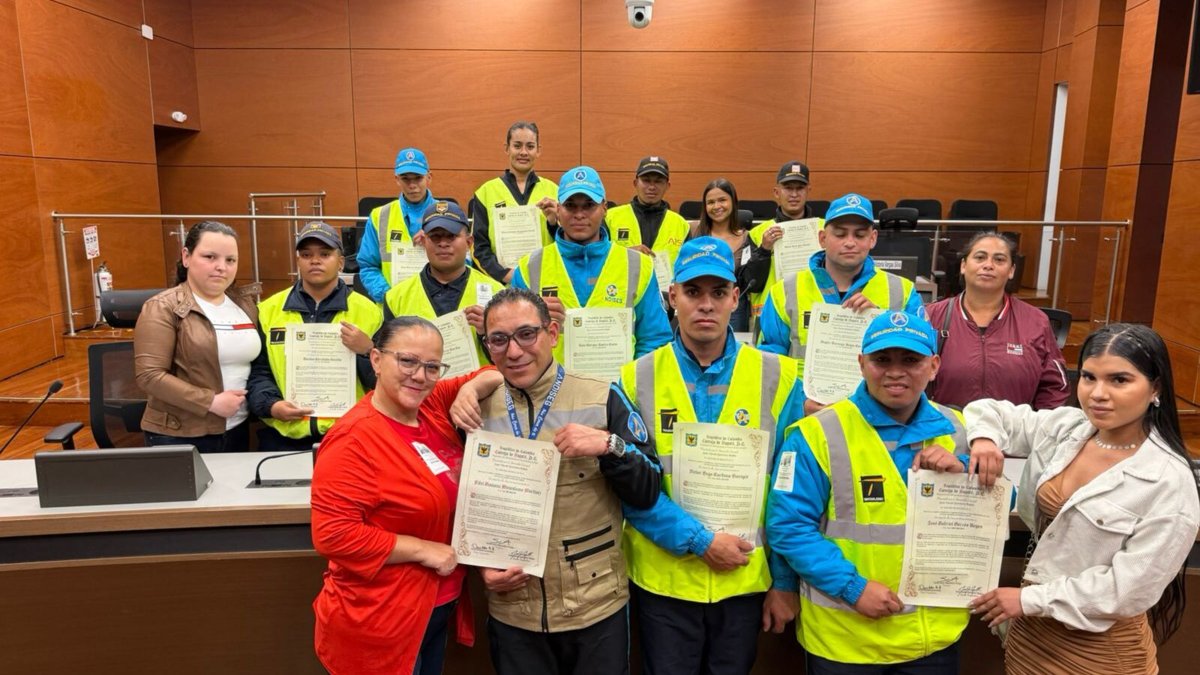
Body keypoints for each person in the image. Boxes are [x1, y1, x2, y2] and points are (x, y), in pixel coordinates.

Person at [964, 323, 1200, 675]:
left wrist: (1030, 599)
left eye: (1119, 380)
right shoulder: (1070, 428)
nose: (1097, 394)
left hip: (1099, 652)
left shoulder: (1167, 479)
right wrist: (984, 440)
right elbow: (991, 412)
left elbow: (1128, 590)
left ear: (1156, 388)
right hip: (1030, 635)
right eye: (1089, 377)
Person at [619, 237, 806, 675]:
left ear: (735, 298)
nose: (706, 305)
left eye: (718, 293)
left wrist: (783, 582)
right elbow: (629, 486)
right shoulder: (635, 378)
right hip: (664, 582)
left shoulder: (778, 377)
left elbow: (788, 491)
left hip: (742, 581)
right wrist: (700, 542)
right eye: (693, 292)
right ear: (672, 297)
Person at [766, 310, 971, 673]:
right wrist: (853, 588)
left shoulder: (957, 429)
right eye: (881, 359)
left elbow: (998, 506)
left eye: (911, 360)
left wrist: (965, 476)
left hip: (932, 639)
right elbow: (789, 528)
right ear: (861, 364)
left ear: (934, 365)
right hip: (847, 641)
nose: (895, 371)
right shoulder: (815, 434)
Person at [472, 287, 662, 675]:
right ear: (487, 345)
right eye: (499, 339)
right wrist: (479, 566)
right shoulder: (473, 410)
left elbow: (648, 490)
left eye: (527, 334)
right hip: (514, 610)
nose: (514, 351)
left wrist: (610, 446)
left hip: (594, 605)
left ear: (553, 334)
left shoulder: (602, 396)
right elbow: (461, 507)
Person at [310, 316, 503, 675]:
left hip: (433, 607)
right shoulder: (354, 439)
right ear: (376, 360)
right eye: (408, 361)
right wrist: (423, 549)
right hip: (380, 617)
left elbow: (495, 371)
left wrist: (469, 390)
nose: (420, 375)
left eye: (432, 367)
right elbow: (333, 535)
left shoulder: (428, 406)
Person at [758, 193, 923, 398]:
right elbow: (770, 362)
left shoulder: (903, 291)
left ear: (873, 239)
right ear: (822, 239)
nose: (850, 243)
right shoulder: (784, 291)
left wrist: (882, 323)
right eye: (840, 234)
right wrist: (798, 405)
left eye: (860, 235)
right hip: (805, 412)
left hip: (876, 413)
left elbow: (920, 358)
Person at [512, 166, 672, 363]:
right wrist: (533, 321)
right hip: (550, 390)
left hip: (617, 391)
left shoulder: (639, 266)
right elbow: (514, 340)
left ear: (604, 208)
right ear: (558, 209)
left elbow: (654, 340)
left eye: (589, 205)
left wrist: (628, 385)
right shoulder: (529, 268)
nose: (579, 214)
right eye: (570, 205)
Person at [248, 222, 382, 451]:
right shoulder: (269, 310)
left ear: (340, 262)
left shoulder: (370, 312)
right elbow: (259, 372)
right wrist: (271, 405)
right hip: (283, 436)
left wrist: (367, 350)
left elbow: (386, 381)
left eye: (325, 254)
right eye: (306, 254)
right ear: (298, 261)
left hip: (351, 437)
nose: (315, 260)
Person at [135, 220, 260, 452]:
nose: (221, 267)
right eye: (210, 257)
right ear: (186, 257)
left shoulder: (245, 304)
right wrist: (210, 402)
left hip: (238, 428)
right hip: (180, 434)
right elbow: (149, 376)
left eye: (230, 260)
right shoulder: (162, 307)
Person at [925, 232, 1068, 410]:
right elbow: (910, 376)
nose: (988, 265)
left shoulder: (1036, 321)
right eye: (980, 257)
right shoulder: (931, 316)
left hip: (1013, 434)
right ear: (963, 265)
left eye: (999, 260)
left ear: (1011, 271)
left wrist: (1041, 430)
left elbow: (1054, 388)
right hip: (946, 433)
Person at [384, 201, 505, 367]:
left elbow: (509, 360)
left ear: (469, 243)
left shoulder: (497, 293)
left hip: (481, 391)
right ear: (424, 241)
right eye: (435, 237)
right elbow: (390, 362)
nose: (443, 243)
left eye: (451, 236)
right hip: (419, 391)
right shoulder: (395, 297)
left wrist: (486, 334)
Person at [470, 121, 559, 283]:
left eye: (530, 146)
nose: (523, 152)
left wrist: (553, 222)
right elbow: (478, 247)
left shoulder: (555, 191)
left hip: (545, 281)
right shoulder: (486, 192)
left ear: (538, 151)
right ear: (507, 148)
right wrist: (504, 275)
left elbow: (566, 243)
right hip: (500, 284)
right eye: (517, 146)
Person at [687, 178, 772, 333]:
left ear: (733, 202)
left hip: (735, 308)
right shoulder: (693, 233)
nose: (717, 206)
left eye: (722, 200)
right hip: (697, 304)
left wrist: (764, 250)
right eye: (711, 202)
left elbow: (751, 281)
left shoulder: (747, 238)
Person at [357, 147, 439, 302]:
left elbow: (464, 263)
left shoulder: (448, 214)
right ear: (396, 179)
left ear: (429, 177)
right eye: (405, 179)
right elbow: (368, 266)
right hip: (393, 309)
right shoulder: (379, 216)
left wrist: (434, 242)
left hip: (437, 305)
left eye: (418, 178)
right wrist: (388, 297)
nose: (412, 185)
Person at [746, 161, 818, 322]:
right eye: (788, 188)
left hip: (812, 312)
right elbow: (749, 283)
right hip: (770, 315)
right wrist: (764, 250)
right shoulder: (758, 233)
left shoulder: (823, 229)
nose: (794, 194)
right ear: (776, 192)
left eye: (799, 188)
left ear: (808, 191)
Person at [604, 156, 690, 269]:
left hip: (665, 286)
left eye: (658, 181)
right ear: (635, 183)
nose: (652, 187)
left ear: (667, 186)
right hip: (620, 286)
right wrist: (626, 253)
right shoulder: (610, 217)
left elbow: (688, 266)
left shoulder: (681, 225)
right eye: (646, 180)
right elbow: (595, 259)